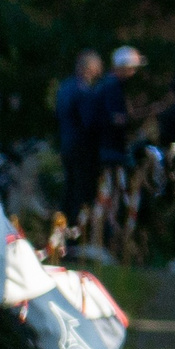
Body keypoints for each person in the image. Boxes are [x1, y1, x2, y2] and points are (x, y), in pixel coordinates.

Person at [54, 49, 105, 222]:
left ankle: (65, 226)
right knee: (80, 191)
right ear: (88, 68)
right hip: (81, 147)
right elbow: (88, 121)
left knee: (70, 188)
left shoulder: (65, 87)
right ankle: (75, 230)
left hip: (67, 144)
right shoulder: (82, 90)